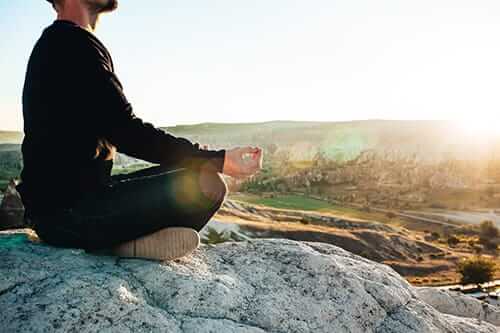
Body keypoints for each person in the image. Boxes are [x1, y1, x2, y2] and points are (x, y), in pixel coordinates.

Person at [16, 0, 263, 261]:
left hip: (70, 206)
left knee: (201, 173)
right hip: (66, 213)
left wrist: (203, 156)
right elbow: (127, 131)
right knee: (207, 184)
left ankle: (122, 241)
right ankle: (115, 244)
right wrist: (220, 159)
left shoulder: (64, 41)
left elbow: (118, 128)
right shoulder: (70, 43)